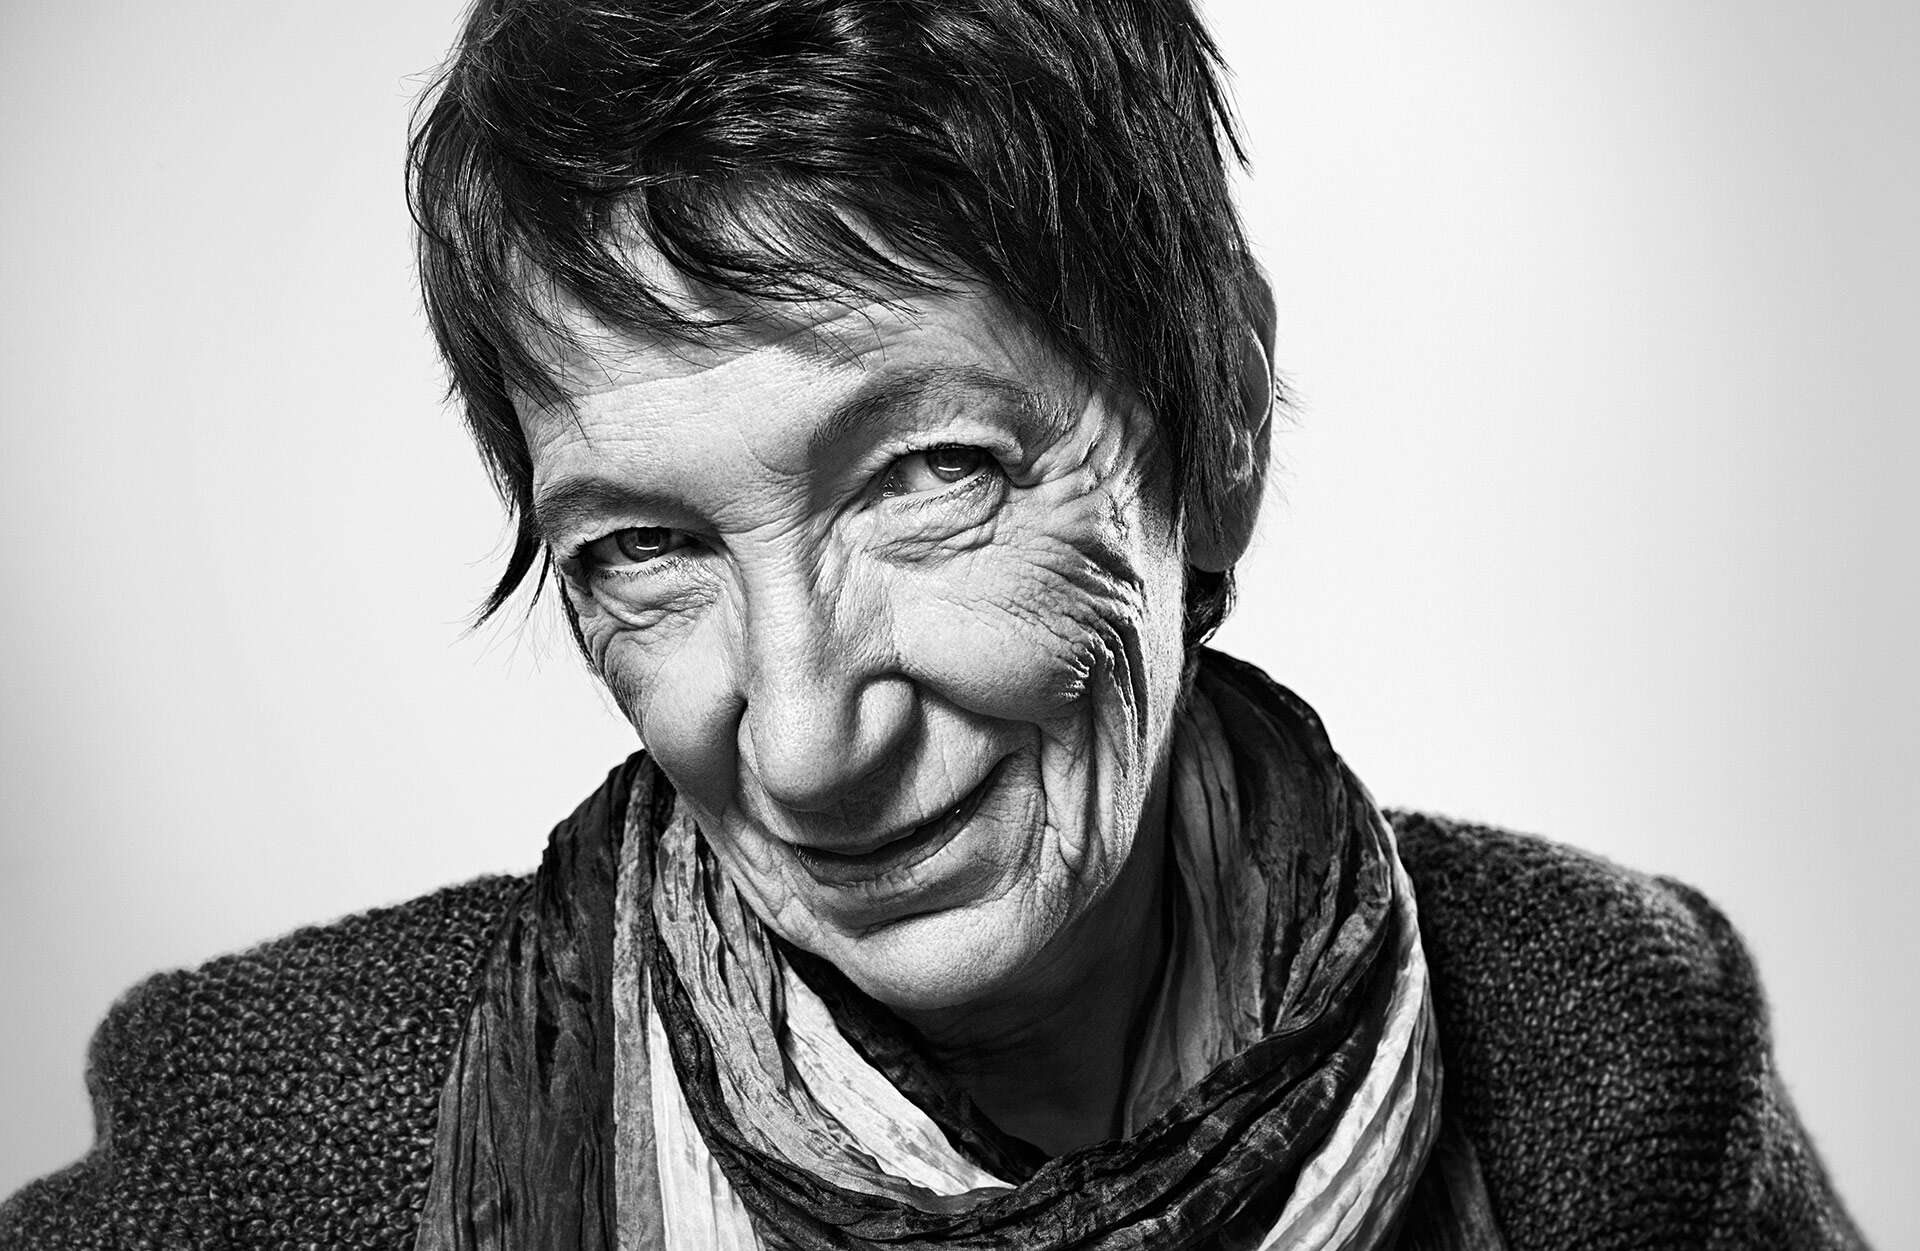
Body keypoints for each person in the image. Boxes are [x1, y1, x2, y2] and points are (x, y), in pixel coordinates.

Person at [0, 1, 1869, 1248]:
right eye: (646, 549)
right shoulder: (280, 1158)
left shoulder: (1618, 1058)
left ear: (1214, 422)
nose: (806, 739)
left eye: (925, 475)